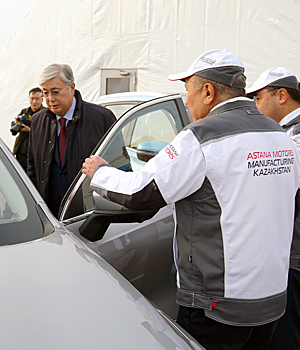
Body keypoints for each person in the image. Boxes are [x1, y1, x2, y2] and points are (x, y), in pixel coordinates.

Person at [82, 49, 300, 350]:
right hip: (273, 297)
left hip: (217, 304)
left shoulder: (201, 135)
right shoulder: (279, 134)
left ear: (208, 91)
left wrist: (101, 172)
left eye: (188, 91)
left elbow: (141, 191)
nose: (186, 101)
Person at [246, 67, 300, 349]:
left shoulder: (291, 139)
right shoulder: (284, 134)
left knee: (285, 335)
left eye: (257, 98)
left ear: (281, 95)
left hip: (293, 254)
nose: (254, 106)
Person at [27, 63, 115, 218]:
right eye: (45, 93)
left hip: (89, 215)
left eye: (55, 92)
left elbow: (117, 166)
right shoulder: (37, 121)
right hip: (49, 216)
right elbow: (33, 169)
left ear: (72, 87)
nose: (50, 99)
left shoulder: (101, 118)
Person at [11, 87, 43, 171]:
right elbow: (13, 129)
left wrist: (30, 130)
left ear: (42, 99)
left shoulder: (46, 113)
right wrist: (16, 124)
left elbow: (48, 132)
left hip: (37, 154)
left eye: (37, 99)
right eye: (32, 98)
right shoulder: (24, 111)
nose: (34, 102)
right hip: (21, 152)